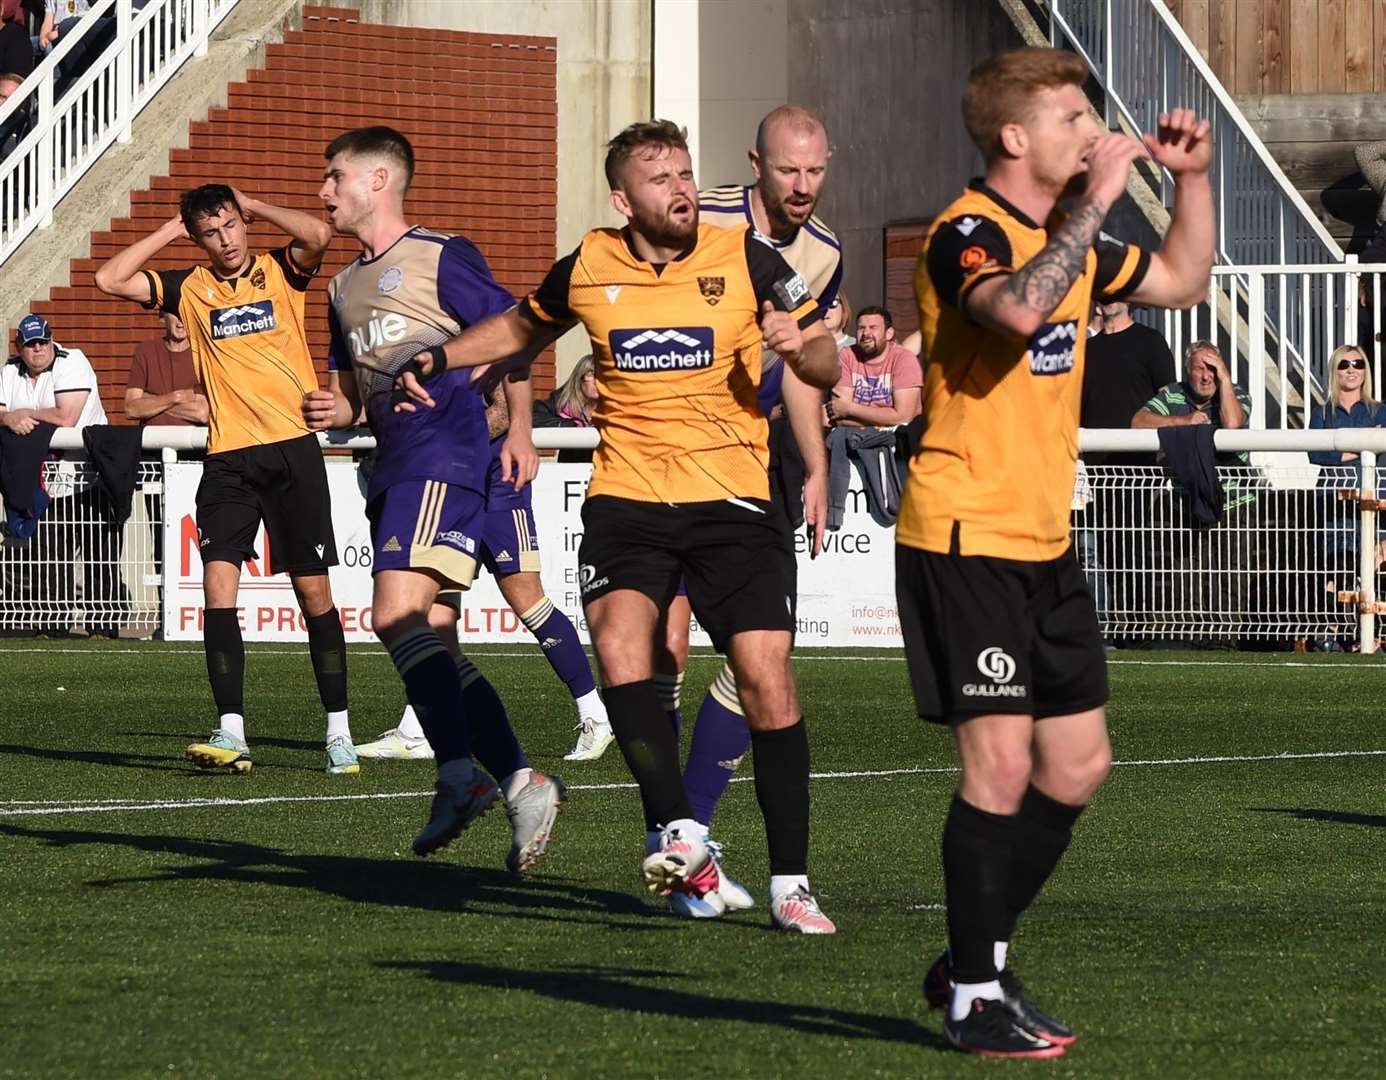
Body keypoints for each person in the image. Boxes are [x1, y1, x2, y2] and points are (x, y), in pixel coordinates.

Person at [394, 119, 841, 932]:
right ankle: (681, 838)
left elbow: (824, 364)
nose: (678, 188)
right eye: (659, 177)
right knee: (627, 659)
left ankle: (790, 885)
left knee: (767, 683)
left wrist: (799, 348)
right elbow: (522, 328)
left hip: (734, 500)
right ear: (622, 197)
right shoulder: (592, 261)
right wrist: (440, 357)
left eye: (684, 173)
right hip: (628, 498)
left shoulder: (746, 256)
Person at [897, 47, 1213, 1056]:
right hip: (963, 534)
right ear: (1015, 138)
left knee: (1076, 767)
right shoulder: (968, 232)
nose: (1092, 132)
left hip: (1043, 538)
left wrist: (1193, 181)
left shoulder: (1063, 234)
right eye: (1073, 118)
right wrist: (1101, 199)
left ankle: (972, 954)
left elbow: (1181, 274)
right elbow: (1019, 307)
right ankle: (973, 997)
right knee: (996, 768)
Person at [306, 125, 565, 871]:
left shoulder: (440, 254)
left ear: (379, 181)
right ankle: (521, 779)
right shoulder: (342, 285)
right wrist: (337, 411)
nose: (324, 192)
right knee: (433, 639)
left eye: (335, 177)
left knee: (395, 614)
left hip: (445, 458)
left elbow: (514, 333)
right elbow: (353, 393)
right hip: (394, 466)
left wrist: (520, 429)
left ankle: (460, 774)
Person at [93, 183, 360, 776]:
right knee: (219, 589)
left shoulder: (279, 271)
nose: (226, 240)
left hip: (292, 452)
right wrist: (171, 231)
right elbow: (109, 280)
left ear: (244, 223)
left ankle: (338, 731)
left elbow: (320, 235)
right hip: (229, 459)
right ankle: (233, 731)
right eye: (211, 232)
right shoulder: (188, 286)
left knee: (313, 594)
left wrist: (253, 202)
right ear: (198, 238)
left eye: (232, 226)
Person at [649, 106, 840, 916]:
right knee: (663, 655)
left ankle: (695, 848)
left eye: (817, 171)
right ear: (756, 162)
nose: (803, 187)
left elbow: (801, 366)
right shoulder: (702, 212)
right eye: (790, 171)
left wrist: (819, 464)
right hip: (661, 455)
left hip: (752, 464)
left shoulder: (822, 252)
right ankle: (676, 843)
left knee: (761, 662)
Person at [359, 370, 613, 767]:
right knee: (435, 608)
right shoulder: (413, 338)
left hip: (496, 481)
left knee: (528, 600)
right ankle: (414, 730)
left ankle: (595, 715)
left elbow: (506, 409)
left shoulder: (474, 329)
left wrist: (445, 440)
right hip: (448, 479)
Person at [0, 313, 114, 634]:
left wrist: (20, 414)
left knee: (98, 554)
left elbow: (66, 416)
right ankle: (56, 623)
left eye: (43, 341)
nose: (38, 349)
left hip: (89, 473)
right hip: (47, 478)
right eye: (31, 344)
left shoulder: (72, 361)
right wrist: (8, 419)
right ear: (19, 346)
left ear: (52, 340)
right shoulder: (11, 369)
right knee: (50, 553)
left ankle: (102, 627)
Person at [827, 305, 923, 429]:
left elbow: (903, 417)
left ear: (889, 334)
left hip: (898, 439)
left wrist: (850, 408)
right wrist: (887, 418)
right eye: (861, 328)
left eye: (873, 328)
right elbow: (840, 416)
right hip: (853, 437)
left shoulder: (904, 359)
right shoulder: (847, 356)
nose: (866, 333)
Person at [532, 352, 597, 464]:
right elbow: (533, 417)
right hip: (571, 472)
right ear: (579, 378)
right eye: (591, 375)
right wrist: (570, 426)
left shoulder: (617, 404)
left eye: (603, 376)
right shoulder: (561, 401)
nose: (597, 381)